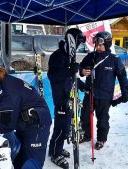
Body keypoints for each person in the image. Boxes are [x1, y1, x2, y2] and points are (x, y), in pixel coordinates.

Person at [79, 31, 128, 150]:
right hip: (90, 93)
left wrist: (125, 93)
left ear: (106, 44)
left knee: (102, 120)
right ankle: (87, 135)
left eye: (99, 44)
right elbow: (81, 66)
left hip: (104, 96)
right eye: (96, 44)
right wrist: (82, 71)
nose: (97, 46)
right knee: (85, 116)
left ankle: (101, 138)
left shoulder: (114, 60)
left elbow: (122, 77)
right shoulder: (91, 57)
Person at [47, 28, 86, 169]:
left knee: (65, 125)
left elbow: (71, 77)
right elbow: (54, 75)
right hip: (60, 96)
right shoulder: (57, 56)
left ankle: (55, 148)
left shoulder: (69, 57)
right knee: (62, 127)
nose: (79, 46)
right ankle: (56, 154)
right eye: (78, 42)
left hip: (68, 95)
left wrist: (82, 85)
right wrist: (70, 69)